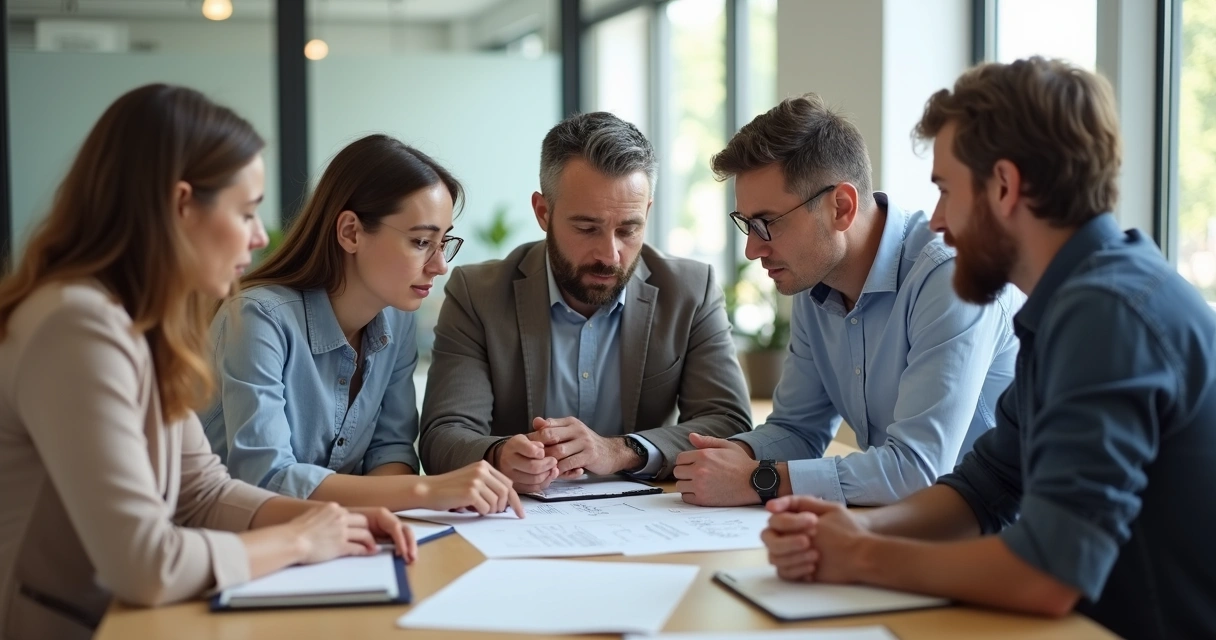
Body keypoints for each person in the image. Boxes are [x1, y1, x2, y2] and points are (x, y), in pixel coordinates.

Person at [761, 57, 1216, 639]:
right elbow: (990, 485)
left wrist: (861, 558)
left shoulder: (1107, 313)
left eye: (947, 191)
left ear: (1004, 185)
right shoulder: (1076, 299)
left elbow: (1047, 572)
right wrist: (860, 531)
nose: (941, 221)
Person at [0, 84, 412, 640]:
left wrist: (339, 520)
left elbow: (202, 490)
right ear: (180, 205)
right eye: (245, 212)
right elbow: (146, 563)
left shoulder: (139, 322)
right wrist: (298, 539)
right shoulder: (77, 326)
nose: (261, 236)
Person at [674, 94, 1020, 507]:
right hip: (903, 528)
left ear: (841, 206)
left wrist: (758, 478)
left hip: (1000, 540)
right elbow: (799, 429)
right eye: (746, 224)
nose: (752, 249)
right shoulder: (814, 280)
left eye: (766, 224)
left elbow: (917, 470)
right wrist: (739, 456)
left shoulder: (952, 278)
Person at [419, 112, 751, 491]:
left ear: (647, 213)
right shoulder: (477, 293)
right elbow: (442, 437)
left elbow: (729, 422)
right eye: (587, 228)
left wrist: (622, 451)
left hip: (646, 520)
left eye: (628, 229)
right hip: (516, 521)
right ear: (544, 213)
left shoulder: (691, 291)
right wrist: (498, 455)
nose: (609, 254)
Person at [202, 134, 523, 517]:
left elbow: (390, 450)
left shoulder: (398, 317)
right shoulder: (257, 318)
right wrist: (425, 490)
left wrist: (395, 508)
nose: (440, 266)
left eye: (443, 243)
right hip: (230, 550)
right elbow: (266, 479)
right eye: (422, 241)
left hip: (334, 542)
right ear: (351, 232)